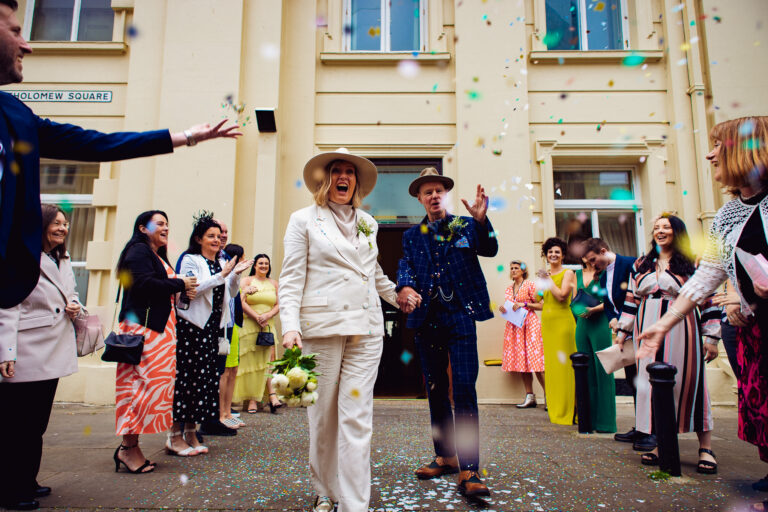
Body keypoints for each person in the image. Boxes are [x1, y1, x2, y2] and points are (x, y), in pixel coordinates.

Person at [0, 0, 242, 309]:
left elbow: (98, 143)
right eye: (16, 31)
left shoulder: (15, 115)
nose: (27, 45)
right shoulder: (139, 253)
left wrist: (187, 137)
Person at [637, 117, 768, 503]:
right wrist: (664, 323)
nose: (710, 154)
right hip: (754, 327)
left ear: (745, 150)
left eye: (719, 146)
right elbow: (707, 276)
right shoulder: (727, 214)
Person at [279, 148, 400, 512]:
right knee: (323, 419)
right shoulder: (303, 220)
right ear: (325, 179)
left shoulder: (369, 223)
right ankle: (324, 492)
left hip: (366, 329)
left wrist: (401, 296)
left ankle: (353, 503)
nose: (343, 177)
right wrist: (289, 327)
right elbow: (290, 278)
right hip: (321, 328)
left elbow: (372, 273)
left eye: (349, 172)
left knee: (357, 417)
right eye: (336, 172)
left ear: (356, 182)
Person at [397, 167, 497, 498]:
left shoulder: (465, 225)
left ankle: (470, 467)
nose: (434, 195)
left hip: (461, 315)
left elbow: (490, 249)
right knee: (437, 389)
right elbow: (406, 266)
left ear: (445, 194)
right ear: (420, 198)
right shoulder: (411, 235)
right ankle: (446, 456)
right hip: (427, 319)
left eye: (439, 190)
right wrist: (405, 286)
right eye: (428, 192)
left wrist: (482, 221)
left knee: (465, 388)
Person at [616, 214, 720, 472]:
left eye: (666, 227)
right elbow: (631, 299)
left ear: (677, 232)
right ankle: (662, 443)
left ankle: (705, 447)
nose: (660, 231)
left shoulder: (691, 263)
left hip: (682, 326)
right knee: (651, 387)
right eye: (656, 228)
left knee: (690, 383)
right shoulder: (642, 263)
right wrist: (622, 332)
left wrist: (712, 337)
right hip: (645, 327)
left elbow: (707, 298)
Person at [0, 205, 82, 510]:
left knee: (36, 425)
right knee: (15, 427)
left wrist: (74, 304)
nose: (62, 228)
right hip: (27, 352)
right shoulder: (21, 259)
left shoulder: (62, 258)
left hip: (54, 351)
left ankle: (27, 480)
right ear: (40, 226)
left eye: (65, 224)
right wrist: (6, 352)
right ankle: (10, 490)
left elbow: (69, 293)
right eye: (56, 224)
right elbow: (8, 307)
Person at [109, 211, 199, 470]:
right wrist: (179, 283)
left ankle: (131, 446)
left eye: (167, 224)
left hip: (159, 333)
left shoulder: (155, 255)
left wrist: (181, 289)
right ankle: (128, 449)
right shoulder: (138, 251)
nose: (166, 228)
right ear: (142, 228)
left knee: (149, 392)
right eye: (159, 223)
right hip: (143, 333)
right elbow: (142, 285)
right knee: (137, 390)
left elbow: (160, 288)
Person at [174, 214, 252, 448]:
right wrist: (223, 274)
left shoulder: (220, 263)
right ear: (198, 238)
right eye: (211, 236)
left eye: (219, 237)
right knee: (187, 383)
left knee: (205, 383)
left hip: (213, 329)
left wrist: (235, 274)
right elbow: (192, 290)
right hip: (192, 328)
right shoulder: (190, 259)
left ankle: (192, 433)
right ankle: (175, 436)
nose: (217, 240)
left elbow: (231, 292)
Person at [582, 238, 646, 448]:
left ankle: (650, 429)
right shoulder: (601, 278)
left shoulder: (631, 264)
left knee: (645, 381)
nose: (593, 265)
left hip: (641, 328)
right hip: (623, 333)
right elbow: (608, 303)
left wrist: (628, 320)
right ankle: (641, 426)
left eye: (594, 260)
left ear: (603, 251)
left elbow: (641, 296)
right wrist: (612, 317)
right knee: (633, 379)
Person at [235, 254, 283, 414]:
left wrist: (268, 316)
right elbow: (240, 301)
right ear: (254, 265)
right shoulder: (247, 281)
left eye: (266, 263)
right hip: (250, 325)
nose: (263, 266)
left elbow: (279, 304)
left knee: (267, 362)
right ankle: (251, 401)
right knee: (250, 363)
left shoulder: (274, 283)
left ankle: (263, 398)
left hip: (267, 326)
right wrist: (256, 316)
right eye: (260, 263)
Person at [574, 255, 616, 433]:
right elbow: (573, 298)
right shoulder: (576, 274)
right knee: (585, 372)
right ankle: (587, 421)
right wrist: (578, 310)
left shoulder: (605, 274)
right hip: (582, 324)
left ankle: (606, 422)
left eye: (593, 255)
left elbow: (610, 300)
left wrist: (593, 310)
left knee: (603, 370)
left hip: (600, 322)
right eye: (586, 255)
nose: (589, 259)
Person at [537, 237, 576, 426]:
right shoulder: (545, 277)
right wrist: (523, 305)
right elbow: (544, 302)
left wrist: (547, 279)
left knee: (564, 368)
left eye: (557, 252)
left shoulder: (568, 273)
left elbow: (561, 296)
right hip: (548, 324)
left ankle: (568, 410)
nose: (553, 255)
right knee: (552, 367)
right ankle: (555, 408)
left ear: (562, 255)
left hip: (563, 324)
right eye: (550, 252)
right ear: (546, 254)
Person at [498, 260, 545, 408]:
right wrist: (504, 309)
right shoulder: (508, 288)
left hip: (530, 325)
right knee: (522, 363)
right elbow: (511, 306)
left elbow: (541, 305)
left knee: (536, 362)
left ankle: (549, 396)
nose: (513, 270)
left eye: (516, 268)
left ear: (523, 271)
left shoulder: (530, 285)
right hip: (515, 328)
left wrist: (524, 304)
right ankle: (530, 396)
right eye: (511, 268)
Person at [217, 243, 247, 429]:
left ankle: (228, 411)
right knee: (225, 371)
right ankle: (221, 413)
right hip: (223, 325)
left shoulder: (236, 275)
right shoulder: (223, 269)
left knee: (233, 369)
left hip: (232, 325)